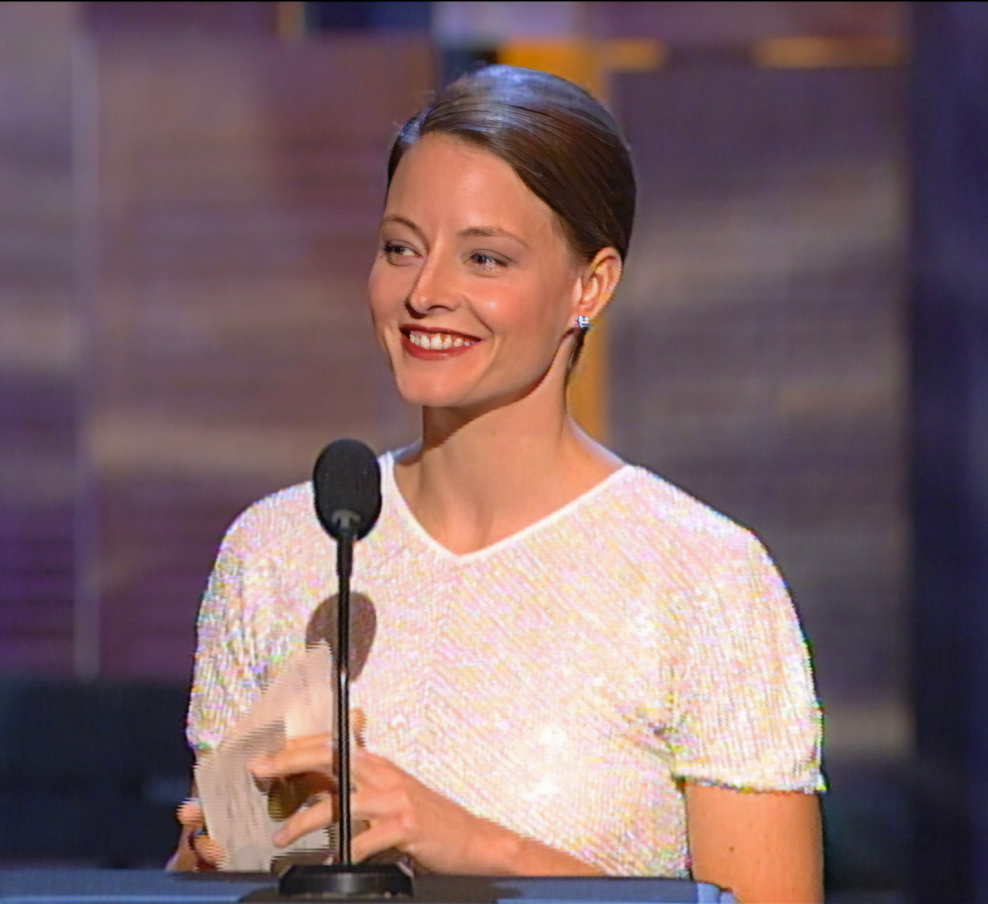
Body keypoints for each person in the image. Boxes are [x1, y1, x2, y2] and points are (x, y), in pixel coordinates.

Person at [167, 64, 825, 903]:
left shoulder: (703, 577)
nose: (426, 293)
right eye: (401, 248)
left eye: (484, 258)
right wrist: (205, 866)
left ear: (590, 285)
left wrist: (466, 842)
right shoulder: (280, 551)